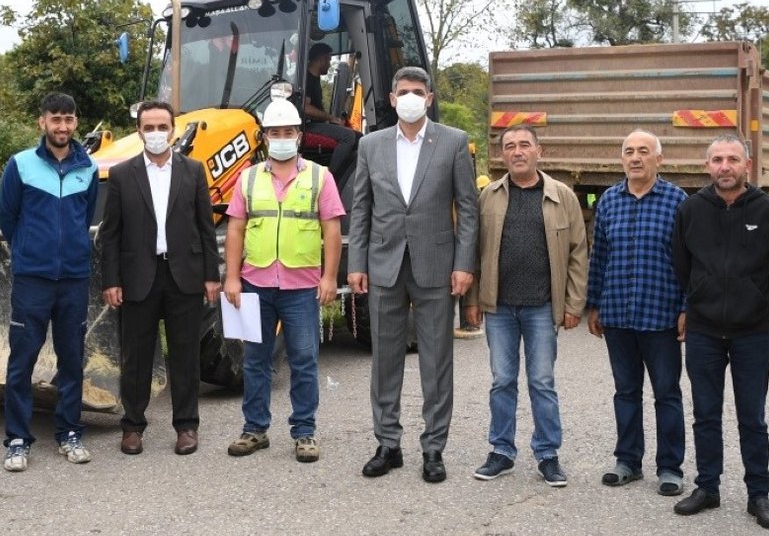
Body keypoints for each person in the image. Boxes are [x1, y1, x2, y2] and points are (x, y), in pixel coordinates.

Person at [347, 66, 480, 484]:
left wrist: (464, 264)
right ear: (391, 98)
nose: (409, 97)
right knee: (385, 359)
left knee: (436, 361)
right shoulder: (370, 145)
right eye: (402, 90)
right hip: (384, 266)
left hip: (436, 266)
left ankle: (434, 447)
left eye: (417, 91)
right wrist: (355, 265)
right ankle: (388, 443)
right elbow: (361, 208)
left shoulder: (453, 142)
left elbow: (468, 207)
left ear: (430, 97)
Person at [669, 134, 769, 528]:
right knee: (705, 414)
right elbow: (681, 265)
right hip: (705, 331)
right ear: (707, 166)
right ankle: (707, 486)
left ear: (747, 164)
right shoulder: (691, 210)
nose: (725, 166)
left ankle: (759, 494)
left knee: (752, 417)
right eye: (717, 160)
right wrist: (699, 302)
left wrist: (761, 308)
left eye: (733, 159)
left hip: (752, 334)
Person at [462, 124, 588, 488]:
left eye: (524, 145)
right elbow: (473, 251)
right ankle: (501, 451)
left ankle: (548, 455)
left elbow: (579, 253)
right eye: (510, 146)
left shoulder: (562, 196)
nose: (517, 152)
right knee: (502, 380)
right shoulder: (489, 197)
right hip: (499, 307)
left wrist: (573, 303)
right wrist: (472, 301)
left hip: (541, 307)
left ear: (539, 151)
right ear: (502, 155)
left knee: (542, 381)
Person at [223, 94, 345, 463]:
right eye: (274, 132)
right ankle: (255, 429)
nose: (281, 138)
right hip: (256, 285)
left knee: (304, 359)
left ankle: (304, 432)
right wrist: (231, 278)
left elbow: (332, 231)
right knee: (255, 360)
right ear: (264, 137)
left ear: (299, 136)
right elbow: (235, 231)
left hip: (301, 287)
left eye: (287, 131)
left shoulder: (320, 177)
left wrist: (329, 278)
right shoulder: (247, 179)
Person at [98, 100, 221, 456]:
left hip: (184, 275)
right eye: (148, 128)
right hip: (138, 277)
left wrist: (211, 276)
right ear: (139, 131)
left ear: (173, 130)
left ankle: (186, 426)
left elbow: (205, 226)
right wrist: (111, 280)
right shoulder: (122, 174)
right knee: (136, 357)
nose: (155, 134)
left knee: (186, 355)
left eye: (161, 127)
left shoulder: (193, 171)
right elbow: (111, 234)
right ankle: (133, 426)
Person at [0, 92, 99, 474]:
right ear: (42, 122)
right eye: (55, 119)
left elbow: (86, 214)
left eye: (69, 119)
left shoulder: (87, 167)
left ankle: (70, 432)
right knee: (21, 360)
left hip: (74, 278)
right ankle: (18, 440)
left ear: (76, 122)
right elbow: (8, 218)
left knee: (72, 359)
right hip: (32, 280)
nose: (62, 126)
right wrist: (29, 251)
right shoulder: (20, 165)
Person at [585, 130, 688, 495]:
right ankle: (627, 461)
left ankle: (670, 468)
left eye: (644, 151)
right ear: (622, 158)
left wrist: (686, 308)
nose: (635, 158)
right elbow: (599, 256)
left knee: (666, 393)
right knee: (625, 391)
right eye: (629, 151)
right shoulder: (610, 200)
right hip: (617, 315)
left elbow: (690, 260)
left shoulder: (678, 201)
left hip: (660, 315)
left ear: (659, 159)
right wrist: (593, 304)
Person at [301, 42, 360, 193]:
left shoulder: (314, 78)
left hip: (316, 124)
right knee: (347, 136)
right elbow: (306, 108)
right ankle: (330, 180)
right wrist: (331, 118)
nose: (328, 64)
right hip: (307, 126)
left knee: (359, 138)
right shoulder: (307, 78)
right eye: (328, 60)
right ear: (321, 60)